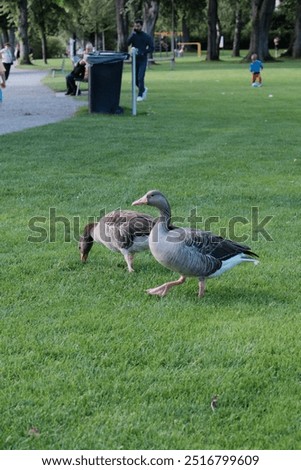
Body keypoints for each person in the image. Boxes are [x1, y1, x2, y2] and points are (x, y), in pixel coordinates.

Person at [127, 19, 154, 102]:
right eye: (135, 26)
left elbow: (151, 48)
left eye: (138, 26)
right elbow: (127, 43)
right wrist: (132, 34)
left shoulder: (146, 36)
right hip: (135, 59)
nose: (136, 27)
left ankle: (140, 94)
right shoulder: (133, 35)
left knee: (140, 77)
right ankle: (143, 89)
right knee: (135, 80)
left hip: (142, 59)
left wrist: (143, 52)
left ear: (141, 26)